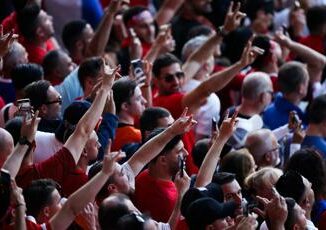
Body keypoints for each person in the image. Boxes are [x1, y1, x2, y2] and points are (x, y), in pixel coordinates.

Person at [111, 78, 147, 151]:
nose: (144, 101)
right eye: (138, 99)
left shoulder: (106, 130)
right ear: (125, 106)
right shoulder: (135, 135)